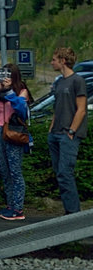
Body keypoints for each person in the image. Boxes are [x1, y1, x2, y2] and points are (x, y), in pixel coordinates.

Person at [0, 63, 31, 221]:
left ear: (14, 76)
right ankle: (10, 205)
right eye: (3, 74)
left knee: (15, 170)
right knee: (4, 170)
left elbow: (21, 110)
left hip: (13, 132)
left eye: (8, 75)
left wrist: (9, 91)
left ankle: (18, 208)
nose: (5, 78)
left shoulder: (21, 91)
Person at [47, 47, 87, 214]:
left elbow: (81, 109)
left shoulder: (77, 81)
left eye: (54, 59)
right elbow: (57, 108)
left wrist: (71, 131)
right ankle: (69, 211)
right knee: (60, 174)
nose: (52, 62)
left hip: (68, 134)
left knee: (65, 173)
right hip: (55, 133)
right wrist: (51, 130)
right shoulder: (58, 82)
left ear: (63, 61)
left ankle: (73, 214)